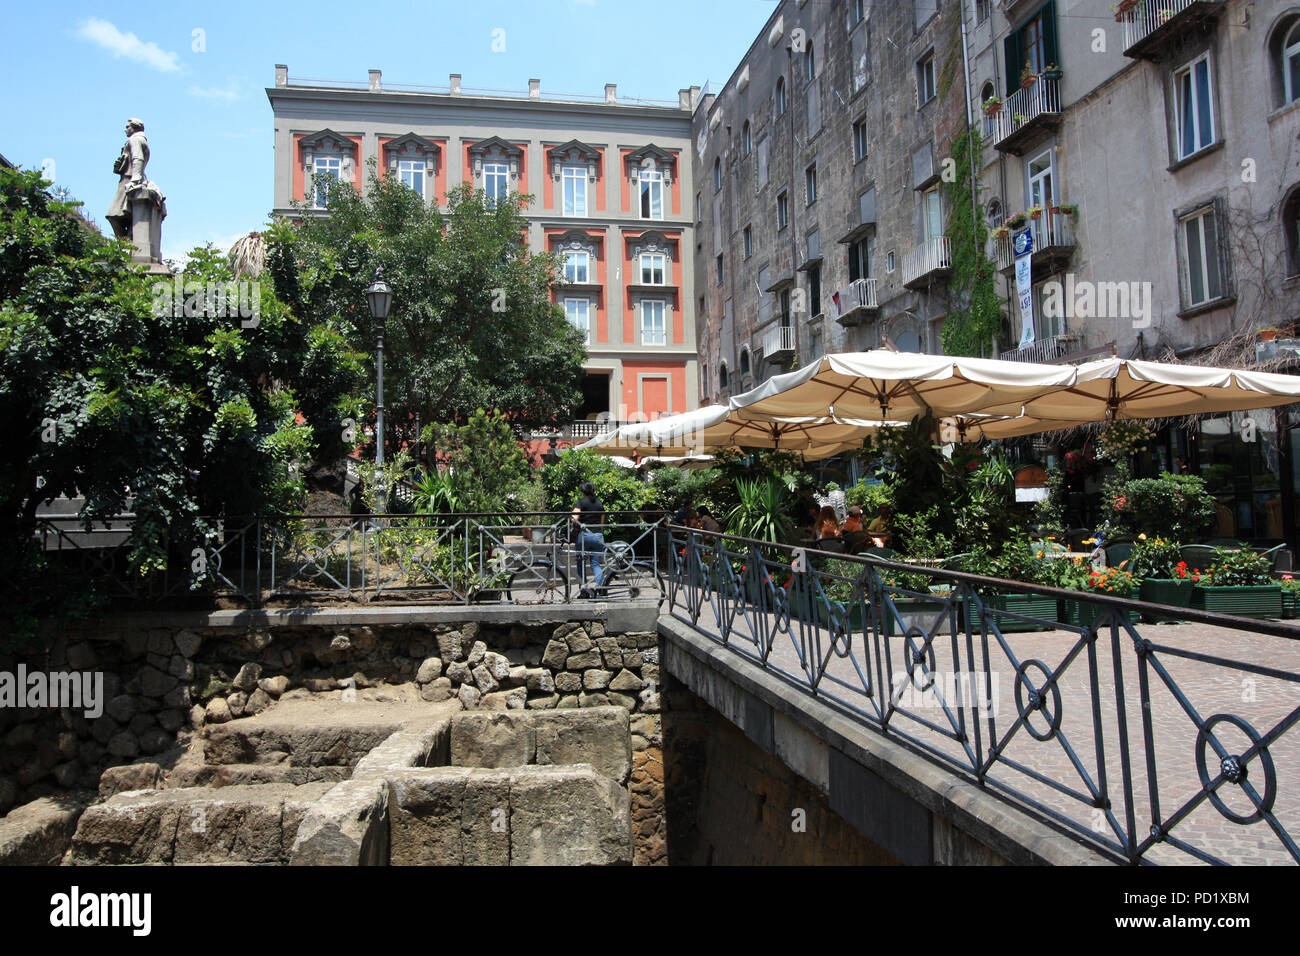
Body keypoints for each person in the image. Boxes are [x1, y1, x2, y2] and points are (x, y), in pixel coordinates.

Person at [572, 481, 606, 597]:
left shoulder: (580, 502)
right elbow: (602, 525)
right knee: (596, 564)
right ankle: (601, 590)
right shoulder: (599, 504)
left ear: (583, 491)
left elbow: (574, 518)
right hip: (598, 536)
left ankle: (584, 592)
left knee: (581, 564)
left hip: (584, 536)